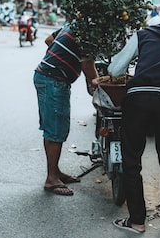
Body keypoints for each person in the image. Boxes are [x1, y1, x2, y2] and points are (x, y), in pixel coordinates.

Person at [108, 10, 160, 233]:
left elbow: (115, 69)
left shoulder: (144, 34)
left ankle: (137, 221)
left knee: (132, 160)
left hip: (137, 99)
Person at [33, 23, 98, 196]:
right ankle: (52, 179)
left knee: (52, 128)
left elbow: (49, 40)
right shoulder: (88, 34)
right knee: (56, 130)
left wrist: (65, 56)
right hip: (53, 80)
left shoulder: (74, 25)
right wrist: (99, 87)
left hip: (44, 76)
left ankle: (55, 171)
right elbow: (89, 69)